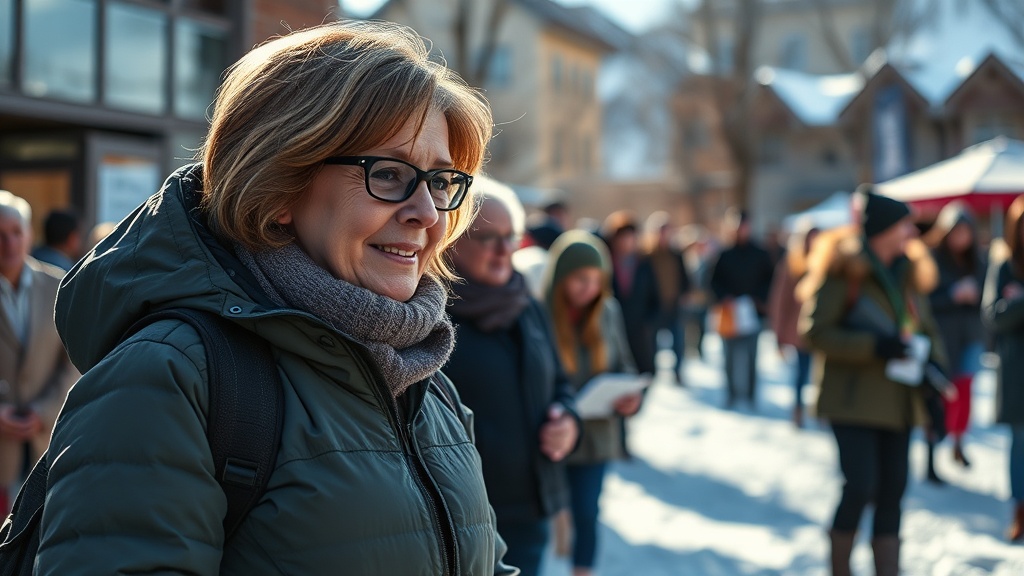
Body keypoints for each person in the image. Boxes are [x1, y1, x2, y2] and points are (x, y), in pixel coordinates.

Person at [40, 21, 516, 575]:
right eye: (389, 174)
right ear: (280, 186)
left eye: (440, 181)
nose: (428, 214)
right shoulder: (170, 377)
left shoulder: (423, 381)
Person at [799, 186, 949, 576]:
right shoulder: (843, 271)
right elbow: (814, 332)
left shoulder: (909, 274)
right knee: (860, 485)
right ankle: (840, 569)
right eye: (904, 226)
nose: (911, 235)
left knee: (893, 491)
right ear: (882, 230)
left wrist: (935, 376)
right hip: (852, 401)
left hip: (900, 402)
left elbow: (927, 332)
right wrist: (874, 345)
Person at [443, 176, 579, 576]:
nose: (505, 250)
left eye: (512, 236)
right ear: (451, 239)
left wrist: (569, 422)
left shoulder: (527, 305)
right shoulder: (429, 318)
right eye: (488, 238)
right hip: (463, 521)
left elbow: (560, 384)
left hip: (530, 508)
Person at [541, 229, 642, 576]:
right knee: (545, 516)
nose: (590, 288)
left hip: (597, 435)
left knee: (587, 511)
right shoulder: (538, 315)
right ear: (562, 277)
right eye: (581, 278)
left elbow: (624, 365)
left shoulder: (608, 312)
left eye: (598, 280)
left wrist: (630, 398)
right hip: (550, 433)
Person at [0, 191, 78, 515]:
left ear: (30, 235)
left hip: (45, 444)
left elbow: (74, 358)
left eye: (17, 233)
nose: (10, 244)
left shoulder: (59, 285)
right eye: (0, 236)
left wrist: (45, 411)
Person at [924, 201, 985, 475]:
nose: (961, 238)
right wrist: (952, 295)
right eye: (956, 232)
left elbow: (990, 296)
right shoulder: (932, 259)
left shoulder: (978, 261)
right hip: (942, 337)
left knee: (965, 392)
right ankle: (933, 454)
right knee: (940, 395)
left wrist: (975, 295)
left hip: (971, 335)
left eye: (965, 232)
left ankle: (959, 441)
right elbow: (924, 302)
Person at [982, 193, 1024, 543]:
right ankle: (1019, 512)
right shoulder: (1005, 265)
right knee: (1021, 444)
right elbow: (993, 316)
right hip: (1017, 371)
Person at [709, 208, 775, 409]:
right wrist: (724, 297)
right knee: (729, 358)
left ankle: (751, 395)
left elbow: (770, 281)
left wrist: (758, 300)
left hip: (752, 314)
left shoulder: (761, 253)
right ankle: (731, 393)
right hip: (730, 314)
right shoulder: (724, 254)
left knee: (751, 357)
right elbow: (713, 282)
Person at [768, 217, 820, 427]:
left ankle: (818, 409)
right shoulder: (792, 262)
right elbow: (781, 300)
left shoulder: (825, 261)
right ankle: (798, 409)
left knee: (819, 375)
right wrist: (778, 334)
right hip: (800, 330)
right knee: (801, 373)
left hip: (821, 328)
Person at [600, 210, 659, 376]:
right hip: (611, 331)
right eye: (623, 237)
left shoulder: (643, 265)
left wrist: (649, 323)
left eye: (630, 237)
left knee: (643, 375)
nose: (627, 242)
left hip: (640, 333)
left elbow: (655, 298)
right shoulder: (605, 263)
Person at [643, 211, 692, 385]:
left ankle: (677, 372)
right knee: (652, 343)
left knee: (678, 342)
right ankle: (652, 372)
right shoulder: (647, 256)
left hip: (674, 305)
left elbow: (685, 277)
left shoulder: (676, 254)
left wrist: (685, 293)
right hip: (655, 306)